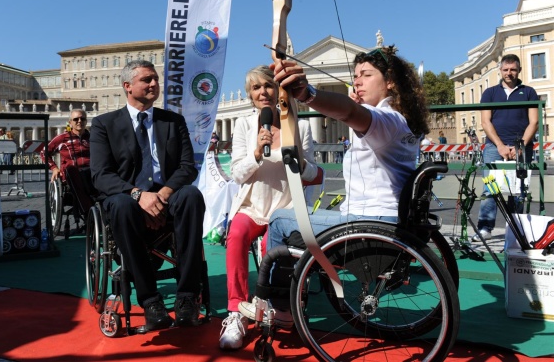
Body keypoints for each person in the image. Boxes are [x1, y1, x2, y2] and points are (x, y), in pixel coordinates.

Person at [238, 46, 430, 321]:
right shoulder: (403, 121)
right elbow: (356, 114)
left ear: (390, 82)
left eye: (366, 75)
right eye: (356, 75)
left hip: (369, 222)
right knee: (299, 220)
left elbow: (351, 113)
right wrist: (357, 107)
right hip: (388, 219)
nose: (357, 81)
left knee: (280, 220)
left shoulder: (386, 121)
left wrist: (307, 93)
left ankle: (277, 306)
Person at [90, 60, 205, 331]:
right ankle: (151, 300)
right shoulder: (103, 124)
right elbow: (101, 175)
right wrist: (138, 195)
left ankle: (187, 296)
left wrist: (162, 195)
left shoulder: (173, 121)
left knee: (191, 196)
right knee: (120, 205)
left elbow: (187, 167)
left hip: (167, 196)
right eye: (147, 80)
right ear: (128, 86)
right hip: (126, 198)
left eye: (155, 79)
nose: (154, 84)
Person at [219, 66, 318, 350]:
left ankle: (276, 305)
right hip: (253, 205)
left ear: (279, 91)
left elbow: (312, 173)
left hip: (286, 208)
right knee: (236, 236)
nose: (263, 92)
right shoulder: (244, 125)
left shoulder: (300, 126)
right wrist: (255, 154)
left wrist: (298, 160)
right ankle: (236, 312)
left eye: (268, 86)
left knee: (269, 249)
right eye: (255, 88)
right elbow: (238, 174)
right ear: (250, 95)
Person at [474, 54, 538, 241]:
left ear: (519, 70)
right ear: (500, 71)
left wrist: (520, 147)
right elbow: (485, 122)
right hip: (495, 147)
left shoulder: (529, 92)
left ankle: (515, 229)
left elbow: (534, 122)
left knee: (519, 189)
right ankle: (485, 228)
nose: (509, 73)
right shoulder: (490, 93)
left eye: (513, 69)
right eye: (506, 69)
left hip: (522, 147)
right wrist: (501, 145)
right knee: (490, 189)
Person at [41, 109, 91, 183]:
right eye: (76, 119)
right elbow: (44, 153)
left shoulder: (93, 137)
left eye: (82, 119)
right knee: (72, 172)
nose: (80, 121)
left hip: (91, 172)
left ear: (86, 121)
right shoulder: (62, 138)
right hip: (71, 174)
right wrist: (54, 168)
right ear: (70, 122)